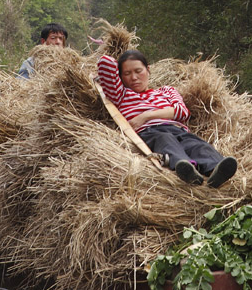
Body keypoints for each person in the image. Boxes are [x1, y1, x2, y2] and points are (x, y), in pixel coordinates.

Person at [96, 49, 237, 187]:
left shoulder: (166, 91)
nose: (134, 77)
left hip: (177, 129)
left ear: (148, 70)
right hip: (149, 132)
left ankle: (216, 170)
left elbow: (182, 112)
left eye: (138, 71)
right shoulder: (121, 95)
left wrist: (146, 116)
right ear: (121, 77)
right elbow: (105, 62)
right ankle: (187, 170)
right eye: (127, 73)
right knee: (165, 140)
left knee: (198, 145)